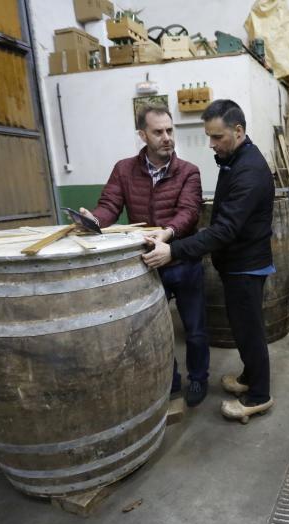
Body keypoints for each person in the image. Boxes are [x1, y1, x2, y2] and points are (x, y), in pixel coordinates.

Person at [141, 99, 276, 423]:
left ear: (239, 131)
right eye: (210, 137)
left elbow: (225, 229)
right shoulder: (234, 158)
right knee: (243, 330)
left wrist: (174, 249)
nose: (212, 144)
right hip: (235, 263)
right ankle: (249, 377)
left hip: (246, 265)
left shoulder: (250, 171)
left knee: (250, 332)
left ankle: (259, 395)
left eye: (217, 137)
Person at [80, 104, 210, 407]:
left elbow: (189, 212)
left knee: (195, 329)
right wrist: (94, 220)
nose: (166, 137)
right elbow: (110, 205)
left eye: (169, 130)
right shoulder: (124, 169)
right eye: (158, 132)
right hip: (149, 265)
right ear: (142, 134)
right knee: (156, 330)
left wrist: (166, 234)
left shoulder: (188, 171)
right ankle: (171, 379)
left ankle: (199, 378)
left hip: (182, 260)